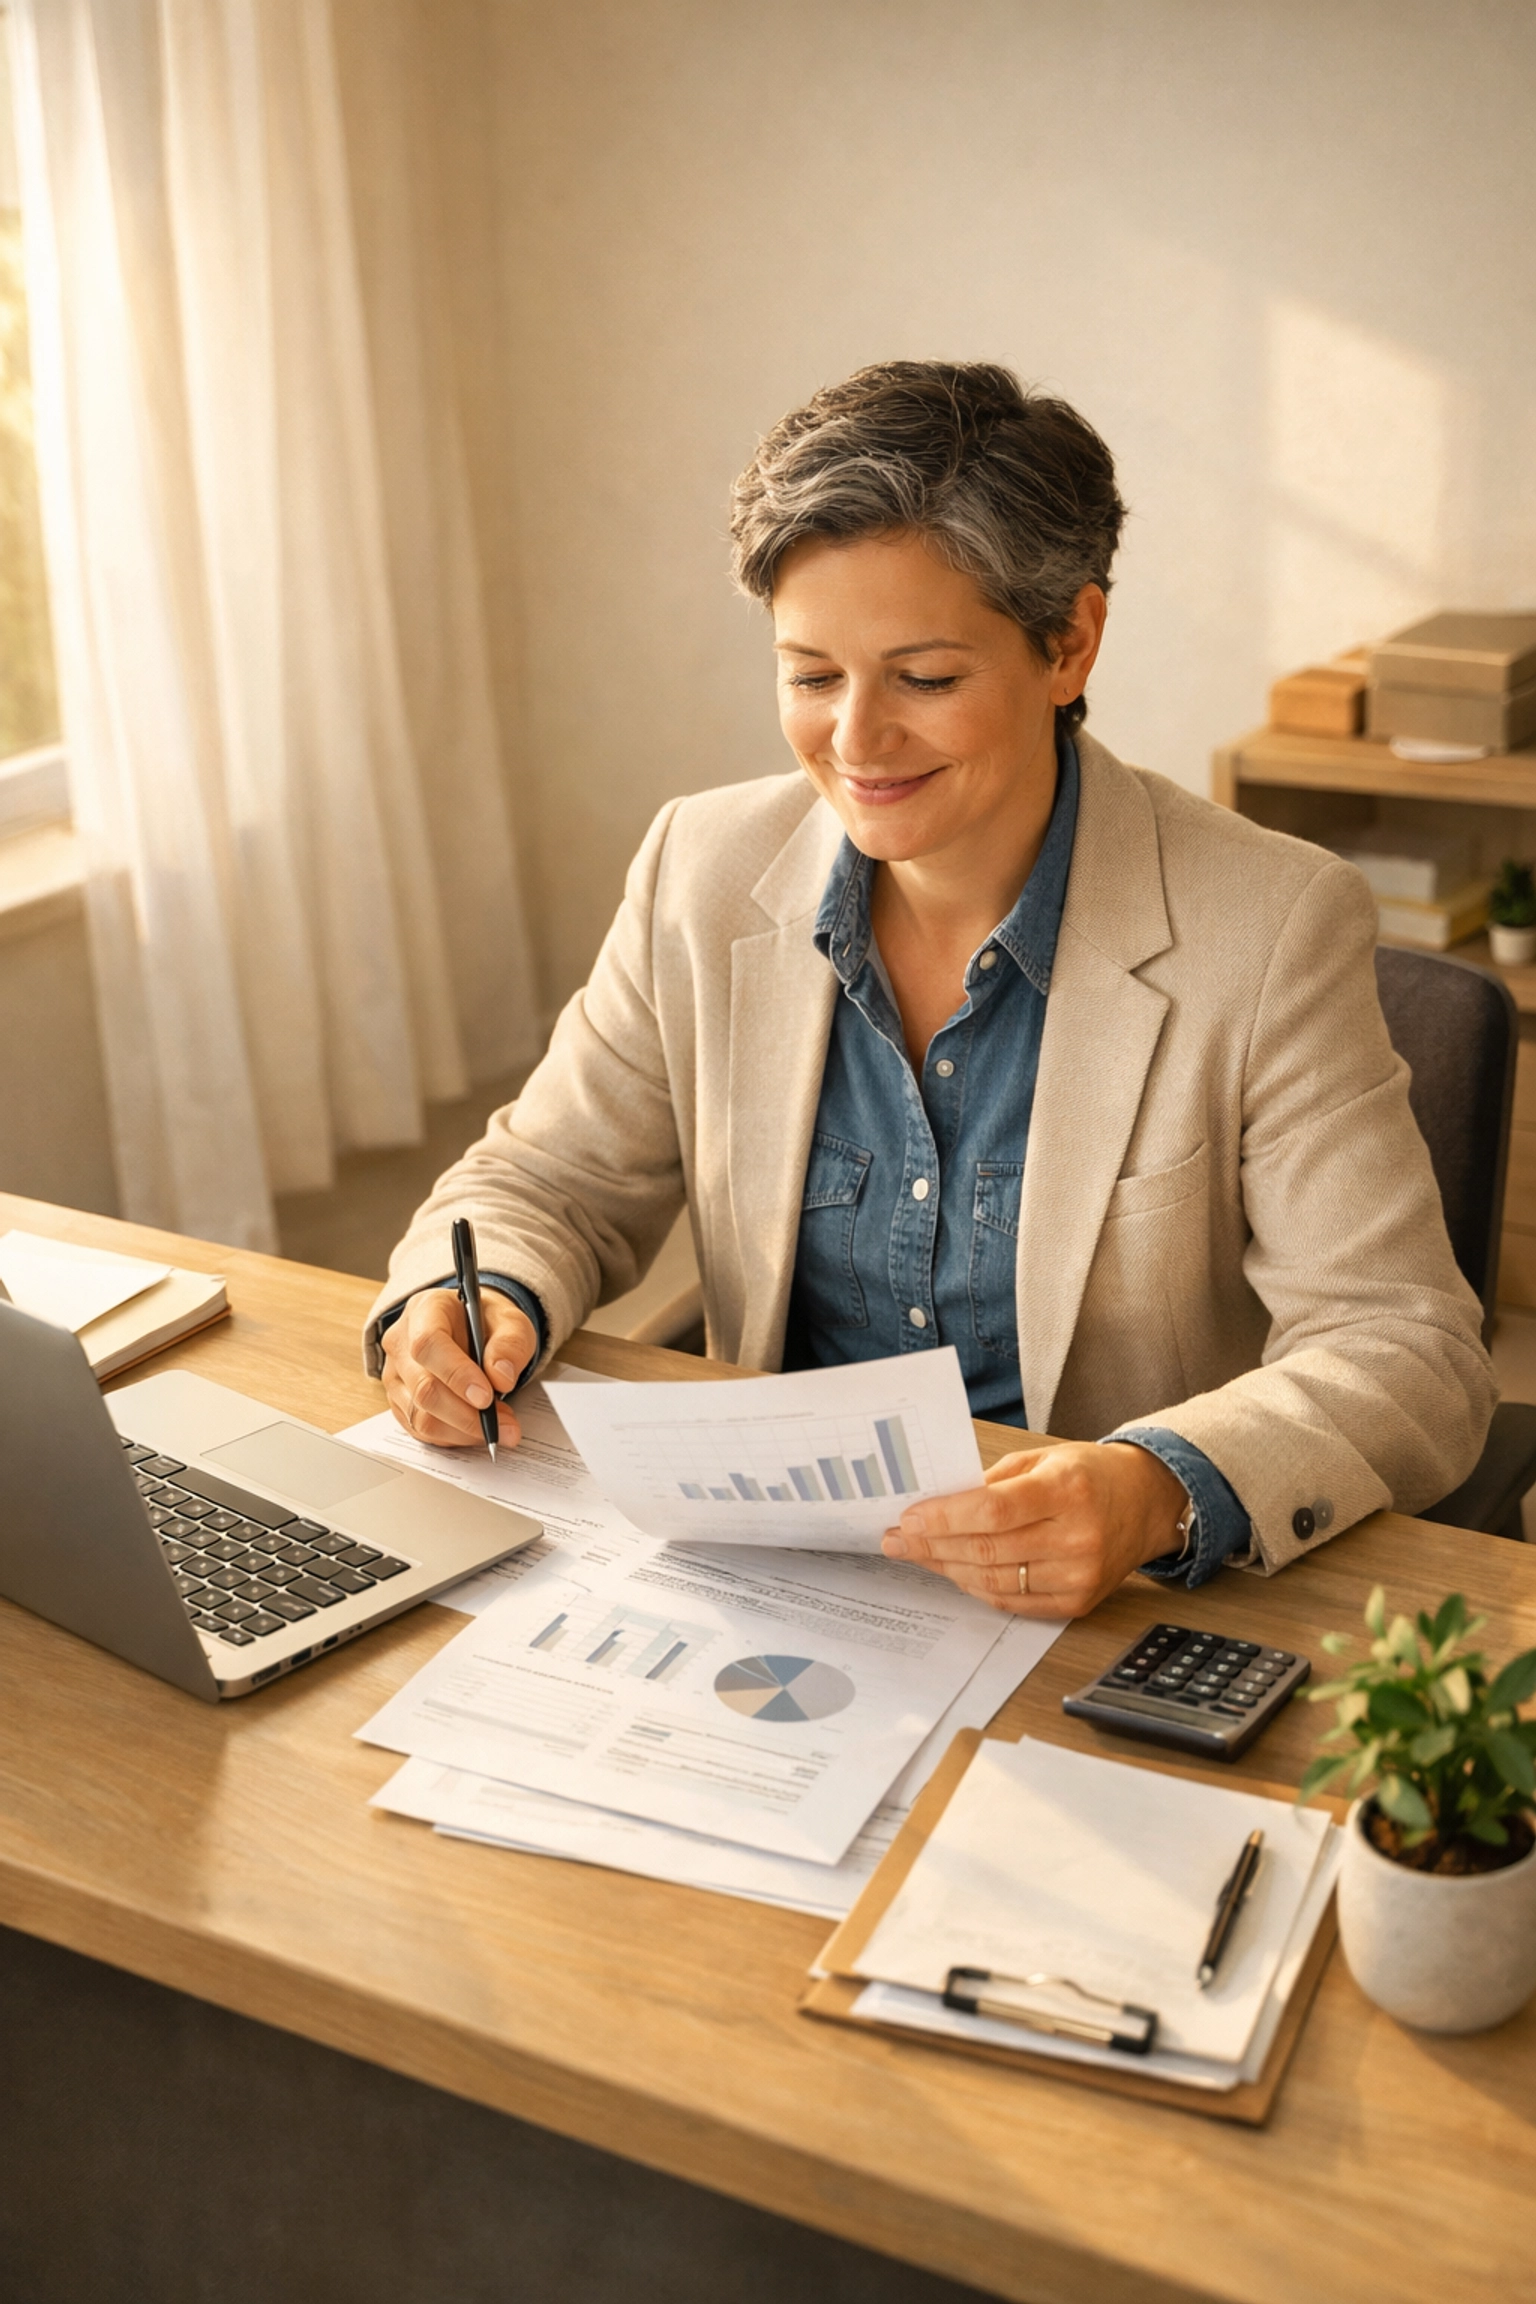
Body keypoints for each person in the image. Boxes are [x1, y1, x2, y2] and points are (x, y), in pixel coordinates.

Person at [364, 360, 1495, 1621]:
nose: (856, 741)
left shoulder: (1269, 926)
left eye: (926, 678)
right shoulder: (702, 866)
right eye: (812, 676)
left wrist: (1154, 1487)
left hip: (1094, 1603)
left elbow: (1405, 1351)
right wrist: (473, 1299)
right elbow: (546, 1182)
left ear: (1069, 643)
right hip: (774, 1580)